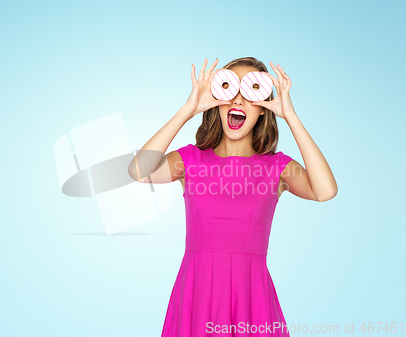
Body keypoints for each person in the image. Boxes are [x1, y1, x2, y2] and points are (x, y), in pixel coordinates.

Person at [128, 56, 338, 337]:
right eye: (229, 88)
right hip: (196, 293)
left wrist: (291, 117)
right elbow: (139, 171)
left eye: (251, 92)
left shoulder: (277, 168)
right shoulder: (190, 160)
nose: (238, 100)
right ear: (217, 99)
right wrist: (187, 109)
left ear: (263, 109)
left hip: (251, 297)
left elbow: (325, 191)